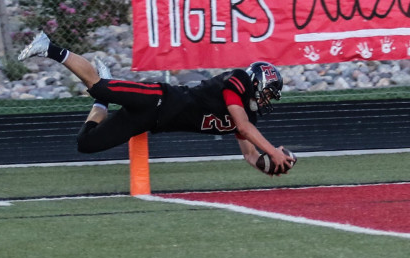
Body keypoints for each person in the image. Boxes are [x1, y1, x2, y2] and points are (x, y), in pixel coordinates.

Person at [17, 32, 295, 174]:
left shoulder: (249, 116)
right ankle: (49, 47)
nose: (267, 99)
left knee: (86, 144)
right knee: (96, 85)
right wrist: (273, 150)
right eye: (268, 92)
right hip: (159, 99)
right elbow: (244, 127)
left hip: (150, 121)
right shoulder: (237, 82)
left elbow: (249, 155)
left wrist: (270, 165)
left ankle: (104, 97)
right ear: (256, 82)